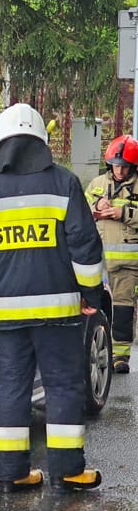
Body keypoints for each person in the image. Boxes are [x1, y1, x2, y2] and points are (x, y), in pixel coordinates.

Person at [0, 103, 104, 494]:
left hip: (8, 311)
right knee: (63, 387)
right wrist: (90, 293)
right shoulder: (63, 183)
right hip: (59, 312)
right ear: (42, 143)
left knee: (12, 389)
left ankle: (12, 473)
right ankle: (68, 470)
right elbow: (84, 245)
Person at [85, 134, 138, 373]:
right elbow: (80, 209)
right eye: (116, 165)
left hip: (129, 264)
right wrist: (97, 207)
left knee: (123, 309)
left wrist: (123, 213)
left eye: (124, 166)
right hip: (99, 262)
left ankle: (121, 356)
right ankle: (96, 350)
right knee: (96, 307)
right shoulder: (96, 184)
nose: (119, 170)